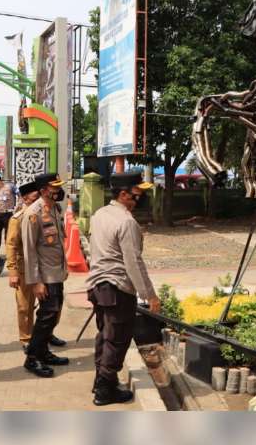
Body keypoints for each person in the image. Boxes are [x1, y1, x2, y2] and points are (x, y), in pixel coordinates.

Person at [86, 172, 160, 405]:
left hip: (98, 286)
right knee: (117, 340)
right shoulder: (127, 222)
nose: (142, 197)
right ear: (124, 194)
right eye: (138, 193)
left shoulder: (100, 214)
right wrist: (149, 295)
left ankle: (101, 380)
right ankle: (104, 391)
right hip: (117, 288)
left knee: (105, 336)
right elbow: (133, 262)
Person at [21, 172, 70, 378]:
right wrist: (36, 281)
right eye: (54, 187)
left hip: (56, 272)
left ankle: (43, 352)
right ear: (43, 190)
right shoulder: (33, 213)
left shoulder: (55, 209)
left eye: (59, 186)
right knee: (46, 316)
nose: (58, 190)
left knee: (51, 315)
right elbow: (30, 250)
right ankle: (32, 358)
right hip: (44, 276)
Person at [5, 181, 40, 349]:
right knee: (25, 306)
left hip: (43, 265)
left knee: (50, 304)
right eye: (35, 197)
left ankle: (45, 333)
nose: (39, 199)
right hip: (24, 267)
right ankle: (26, 338)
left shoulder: (43, 214)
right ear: (25, 198)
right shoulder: (17, 218)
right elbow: (11, 245)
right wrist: (12, 271)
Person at [0, 173, 18, 276]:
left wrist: (18, 207)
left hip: (8, 214)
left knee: (9, 238)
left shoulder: (10, 186)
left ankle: (11, 261)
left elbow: (20, 195)